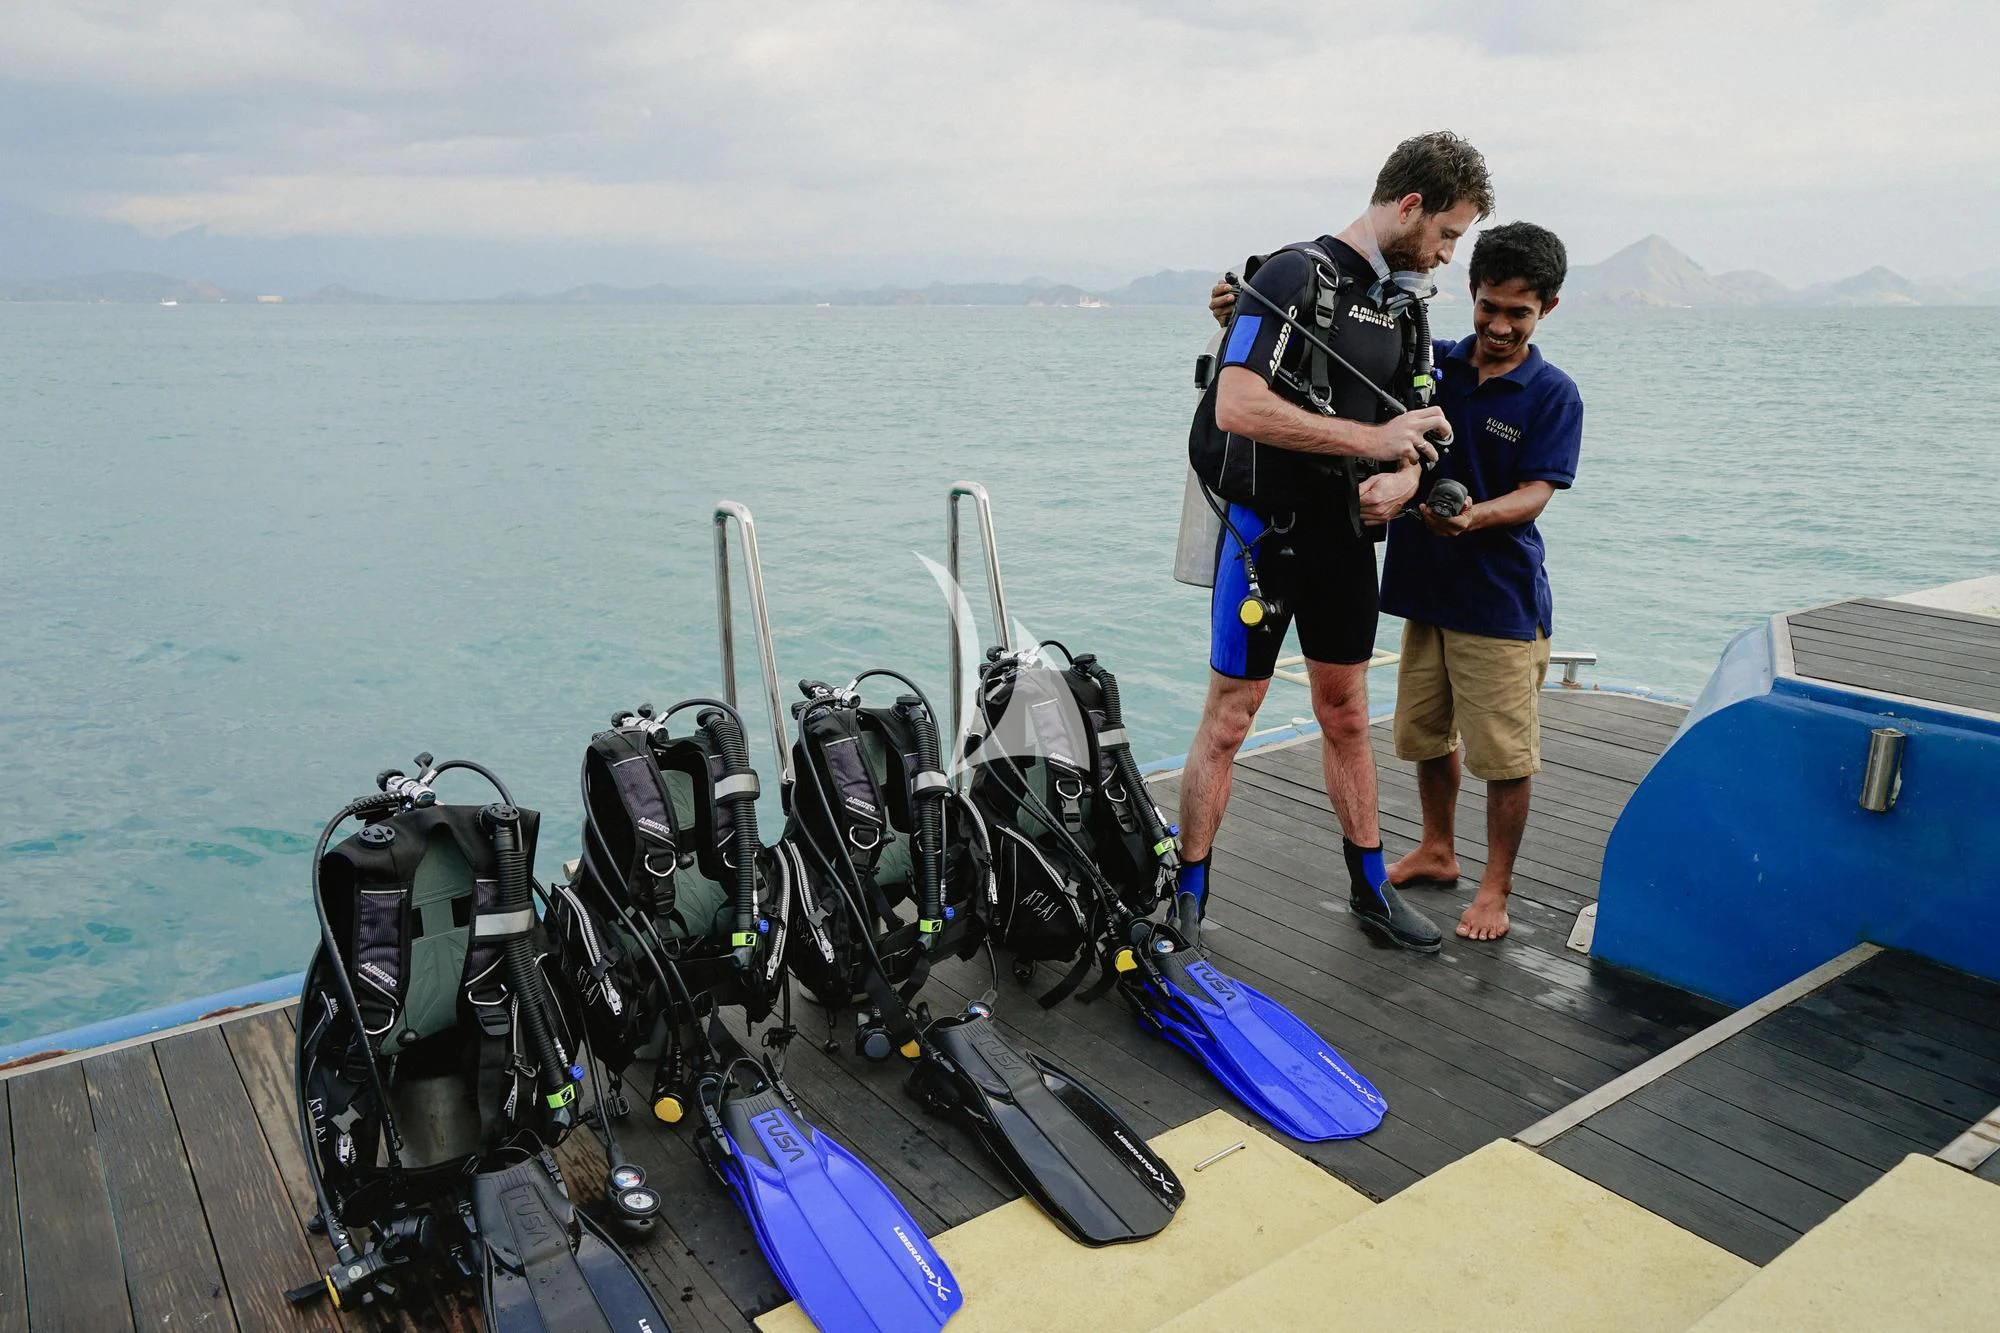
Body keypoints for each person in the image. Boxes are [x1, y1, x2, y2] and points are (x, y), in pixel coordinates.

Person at [1181, 131, 1494, 953]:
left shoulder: (1406, 308)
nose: (1449, 253)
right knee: (1231, 718)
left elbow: (1420, 431)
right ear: (1410, 206)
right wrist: (1370, 443)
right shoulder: (1294, 276)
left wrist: (1406, 481)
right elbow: (1237, 405)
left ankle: (1370, 889)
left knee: (1347, 713)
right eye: (1447, 233)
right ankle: (1188, 898)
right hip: (1264, 536)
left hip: (1346, 541)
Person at [1380, 221, 1583, 942]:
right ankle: (1438, 849)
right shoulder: (1432, 363)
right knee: (1425, 734)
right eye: (1488, 307)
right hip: (1424, 591)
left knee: (1502, 754)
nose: (1499, 326)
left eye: (1517, 313)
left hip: (1499, 601)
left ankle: (1496, 888)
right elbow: (1350, 359)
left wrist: (1471, 518)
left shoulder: (1553, 393)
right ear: (1470, 291)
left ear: (1547, 308)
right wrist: (1236, 315)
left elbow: (1536, 493)